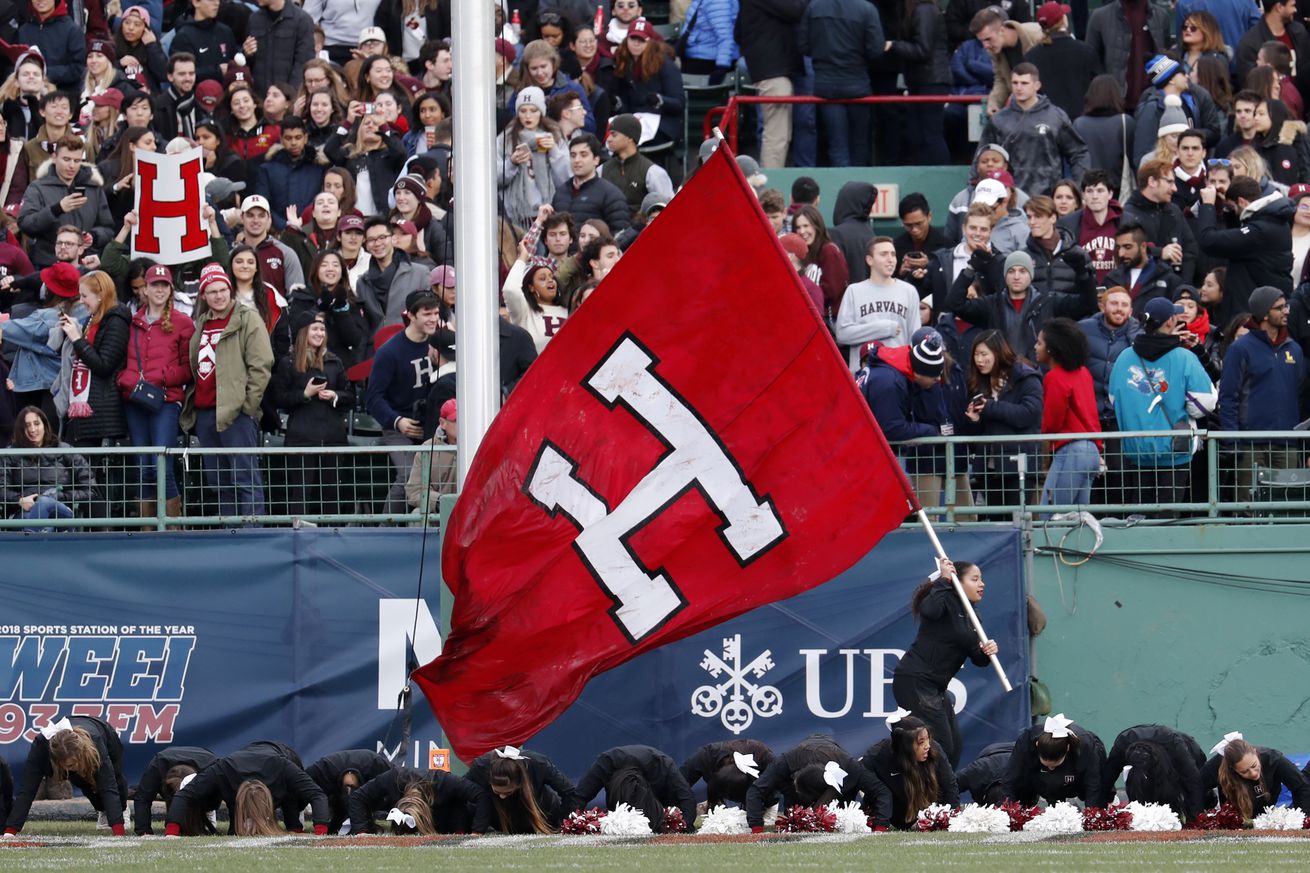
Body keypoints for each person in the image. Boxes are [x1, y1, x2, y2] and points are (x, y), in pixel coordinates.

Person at [182, 263, 275, 520]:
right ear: (203, 295)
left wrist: (247, 406)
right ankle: (230, 534)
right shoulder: (201, 323)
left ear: (230, 290)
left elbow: (262, 365)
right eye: (212, 291)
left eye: (223, 289)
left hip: (236, 414)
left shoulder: (248, 319)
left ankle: (251, 536)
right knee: (219, 482)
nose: (219, 295)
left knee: (246, 478)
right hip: (205, 413)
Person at [890, 555, 998, 768]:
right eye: (975, 579)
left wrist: (987, 651)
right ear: (959, 581)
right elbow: (929, 610)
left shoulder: (972, 615)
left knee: (953, 748)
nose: (982, 584)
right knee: (940, 748)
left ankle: (939, 798)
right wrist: (944, 580)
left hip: (936, 688)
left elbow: (977, 658)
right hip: (915, 681)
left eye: (981, 579)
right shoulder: (944, 599)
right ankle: (924, 796)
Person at [1109, 297, 1217, 507]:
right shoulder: (1184, 357)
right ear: (1170, 322)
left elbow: (1115, 400)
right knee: (1168, 517)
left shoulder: (1124, 357)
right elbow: (1205, 405)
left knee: (1140, 518)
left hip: (1136, 451)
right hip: (1174, 452)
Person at [1219, 286, 1305, 501]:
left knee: (1285, 506)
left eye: (1286, 306)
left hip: (1287, 443)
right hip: (1249, 444)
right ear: (1264, 314)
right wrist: (1233, 441)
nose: (1286, 311)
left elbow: (1300, 395)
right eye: (1280, 308)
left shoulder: (1294, 349)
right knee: (1247, 508)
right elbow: (1228, 397)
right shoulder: (1240, 349)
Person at [270, 310, 355, 518]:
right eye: (315, 329)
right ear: (303, 333)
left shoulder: (334, 361)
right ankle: (298, 537)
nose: (320, 333)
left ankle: (333, 534)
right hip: (301, 438)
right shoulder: (288, 363)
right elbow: (279, 398)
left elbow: (351, 396)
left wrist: (335, 395)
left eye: (322, 329)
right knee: (300, 494)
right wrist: (305, 394)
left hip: (332, 437)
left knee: (332, 495)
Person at [365, 290, 443, 513]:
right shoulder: (389, 352)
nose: (433, 319)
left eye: (436, 313)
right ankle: (385, 529)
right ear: (410, 315)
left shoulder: (441, 343)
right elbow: (373, 398)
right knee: (409, 475)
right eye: (427, 314)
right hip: (399, 426)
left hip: (434, 425)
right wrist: (397, 421)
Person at [946, 249, 1097, 362]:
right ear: (1005, 276)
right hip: (1001, 374)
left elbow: (1086, 305)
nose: (1016, 276)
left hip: (1038, 376)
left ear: (1030, 275)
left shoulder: (1049, 301)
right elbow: (955, 304)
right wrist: (970, 269)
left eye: (1022, 271)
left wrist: (1082, 274)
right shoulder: (991, 304)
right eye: (1011, 271)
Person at [164, 741, 329, 836]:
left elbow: (317, 794)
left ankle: (295, 824)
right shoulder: (223, 769)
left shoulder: (283, 766)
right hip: (243, 758)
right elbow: (184, 795)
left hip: (281, 754)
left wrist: (320, 830)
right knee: (235, 833)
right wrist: (171, 832)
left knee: (292, 805)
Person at [978, 64, 1088, 199]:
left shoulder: (1055, 116)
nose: (1019, 88)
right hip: (1008, 197)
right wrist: (974, 189)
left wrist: (1078, 188)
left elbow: (1078, 152)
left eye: (1024, 83)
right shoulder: (999, 119)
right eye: (1015, 83)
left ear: (1037, 85)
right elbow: (981, 156)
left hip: (1046, 199)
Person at [4, 716, 127, 835]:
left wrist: (118, 829)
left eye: (77, 763)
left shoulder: (96, 743)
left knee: (109, 780)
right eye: (71, 765)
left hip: (103, 733)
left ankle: (121, 809)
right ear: (58, 762)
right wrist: (10, 831)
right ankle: (102, 809)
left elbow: (109, 787)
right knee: (82, 781)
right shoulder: (40, 749)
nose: (77, 768)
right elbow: (27, 790)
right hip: (63, 750)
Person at [1197, 178, 1295, 328]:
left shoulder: (1260, 231)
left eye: (1232, 207)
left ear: (1242, 202)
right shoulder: (1273, 222)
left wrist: (1208, 206)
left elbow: (1208, 241)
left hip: (1254, 320)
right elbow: (1238, 236)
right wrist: (1228, 209)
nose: (1233, 212)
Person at [962, 330, 1043, 509]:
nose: (979, 360)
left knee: (1018, 519)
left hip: (1018, 464)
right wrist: (975, 420)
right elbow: (979, 430)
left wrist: (990, 407)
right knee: (996, 521)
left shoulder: (1025, 377)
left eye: (984, 354)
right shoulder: (978, 383)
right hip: (988, 466)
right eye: (976, 354)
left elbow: (1030, 413)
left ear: (998, 352)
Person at [744, 735, 892, 832]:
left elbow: (882, 792)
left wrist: (880, 827)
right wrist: (757, 827)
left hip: (839, 790)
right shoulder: (786, 762)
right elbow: (755, 791)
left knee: (839, 821)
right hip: (802, 759)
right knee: (794, 818)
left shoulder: (850, 768)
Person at [798, 0, 884, 166]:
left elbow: (803, 46)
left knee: (837, 144)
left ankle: (843, 186)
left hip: (826, 85)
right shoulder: (867, 9)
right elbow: (875, 50)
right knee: (859, 143)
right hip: (857, 83)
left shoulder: (814, 7)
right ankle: (858, 187)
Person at [52, 270, 130, 447]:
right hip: (84, 409)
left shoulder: (116, 321)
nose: (81, 301)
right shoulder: (92, 319)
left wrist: (77, 339)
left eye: (84, 296)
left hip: (102, 413)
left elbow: (104, 365)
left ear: (101, 294)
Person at [18, 134, 114, 270]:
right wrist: (57, 209)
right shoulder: (38, 187)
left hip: (85, 264)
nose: (72, 166)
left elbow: (108, 228)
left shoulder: (94, 188)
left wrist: (94, 236)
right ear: (54, 158)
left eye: (77, 160)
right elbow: (25, 224)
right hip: (49, 263)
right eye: (66, 159)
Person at [1036, 317, 1103, 508]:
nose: (1035, 347)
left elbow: (1052, 423)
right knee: (1078, 519)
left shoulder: (1054, 377)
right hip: (1091, 450)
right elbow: (1092, 416)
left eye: (1040, 342)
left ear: (1051, 349)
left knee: (1051, 515)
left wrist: (1045, 434)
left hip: (1071, 451)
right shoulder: (1083, 372)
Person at [735, 0, 807, 168]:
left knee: (780, 134)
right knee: (776, 135)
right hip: (772, 71)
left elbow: (737, 32)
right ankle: (769, 188)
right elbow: (797, 10)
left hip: (773, 70)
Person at [835, 236, 922, 371]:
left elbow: (915, 338)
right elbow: (842, 334)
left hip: (899, 373)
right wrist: (883, 328)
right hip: (863, 375)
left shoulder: (909, 291)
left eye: (893, 254)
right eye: (883, 254)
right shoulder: (854, 291)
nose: (890, 259)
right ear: (870, 260)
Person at [0, 406, 95, 526]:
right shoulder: (10, 453)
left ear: (44, 425)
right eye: (27, 425)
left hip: (61, 511)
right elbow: (1, 489)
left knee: (45, 503)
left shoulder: (64, 450)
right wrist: (19, 500)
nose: (32, 429)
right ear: (20, 430)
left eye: (36, 423)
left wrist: (61, 496)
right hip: (24, 512)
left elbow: (90, 489)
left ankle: (34, 540)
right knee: (45, 525)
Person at [862, 715, 961, 829]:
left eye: (928, 738)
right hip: (889, 816)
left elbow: (949, 785)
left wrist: (952, 818)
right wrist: (880, 823)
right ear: (905, 746)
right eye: (921, 742)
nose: (927, 746)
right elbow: (873, 789)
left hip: (927, 815)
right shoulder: (876, 756)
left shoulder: (934, 750)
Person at [574, 745, 698, 833]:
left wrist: (684, 825)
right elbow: (580, 796)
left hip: (659, 798)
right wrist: (573, 824)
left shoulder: (662, 764)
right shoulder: (606, 764)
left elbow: (686, 796)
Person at [603, 19, 684, 146]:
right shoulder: (623, 62)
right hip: (632, 119)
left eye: (641, 40)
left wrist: (660, 100)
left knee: (627, 139)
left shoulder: (665, 64)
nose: (636, 43)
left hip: (661, 122)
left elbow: (679, 104)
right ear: (626, 40)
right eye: (633, 38)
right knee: (611, 134)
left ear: (650, 42)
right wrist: (617, 104)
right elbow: (624, 101)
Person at [465, 745, 579, 834]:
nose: (502, 796)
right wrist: (475, 826)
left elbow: (570, 793)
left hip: (545, 816)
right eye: (497, 792)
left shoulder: (539, 764)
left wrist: (564, 823)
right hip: (499, 820)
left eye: (508, 792)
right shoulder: (480, 767)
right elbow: (459, 792)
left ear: (520, 782)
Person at [1133, 55, 1225, 165]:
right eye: (1182, 73)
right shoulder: (1152, 108)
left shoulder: (1190, 102)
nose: (1187, 76)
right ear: (1171, 79)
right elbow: (1143, 151)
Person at [1100, 725, 1205, 819]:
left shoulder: (1175, 745)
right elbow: (1106, 781)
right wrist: (1098, 815)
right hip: (1150, 754)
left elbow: (1193, 781)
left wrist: (1195, 819)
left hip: (1188, 752)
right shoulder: (1122, 745)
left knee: (1202, 795)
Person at [1001, 714, 1106, 806]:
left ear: (1067, 749)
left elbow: (1093, 783)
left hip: (1077, 771)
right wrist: (1008, 810)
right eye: (1046, 764)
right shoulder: (1027, 741)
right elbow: (1010, 778)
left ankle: (1110, 800)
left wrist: (1093, 816)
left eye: (1055, 764)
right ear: (1037, 745)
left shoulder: (1085, 745)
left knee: (1097, 792)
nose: (1051, 768)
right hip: (1039, 777)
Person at [1085, 0, 1171, 112]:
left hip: (1152, 102)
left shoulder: (1160, 16)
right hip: (1113, 104)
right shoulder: (1100, 16)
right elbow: (1090, 62)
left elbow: (1167, 56)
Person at [345, 766, 483, 835]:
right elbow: (357, 797)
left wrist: (477, 830)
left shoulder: (442, 781)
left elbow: (480, 795)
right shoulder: (391, 779)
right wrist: (361, 831)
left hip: (451, 824)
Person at [1122, 159, 1197, 284]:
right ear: (1152, 181)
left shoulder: (1174, 211)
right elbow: (1128, 251)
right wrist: (1160, 252)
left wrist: (1183, 286)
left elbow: (1190, 250)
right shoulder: (1128, 214)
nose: (1175, 188)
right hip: (1143, 289)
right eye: (1169, 182)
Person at [1078, 286, 1142, 434]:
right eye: (1114, 303)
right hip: (1088, 415)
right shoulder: (1082, 330)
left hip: (1121, 418)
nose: (1119, 309)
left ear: (1131, 311)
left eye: (1124, 305)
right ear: (1102, 306)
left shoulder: (1139, 336)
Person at [1024, 3, 1102, 122]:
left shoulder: (1031, 56)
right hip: (1080, 122)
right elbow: (1098, 86)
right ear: (1063, 20)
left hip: (1046, 123)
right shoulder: (1086, 51)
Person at [1201, 736, 1310, 820]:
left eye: (1254, 765)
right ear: (1233, 769)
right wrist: (1199, 817)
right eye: (1244, 771)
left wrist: (1302, 818)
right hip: (1233, 819)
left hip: (1265, 815)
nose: (1253, 773)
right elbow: (1196, 786)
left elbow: (1302, 787)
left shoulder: (1273, 759)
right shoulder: (1218, 765)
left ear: (1256, 753)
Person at [356, 216, 434, 329]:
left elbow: (429, 314)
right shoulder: (362, 282)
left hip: (409, 342)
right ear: (366, 245)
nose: (377, 243)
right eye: (371, 240)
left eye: (382, 237)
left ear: (392, 238)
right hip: (376, 344)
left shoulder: (420, 273)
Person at [969, 7, 1043, 116]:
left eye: (988, 39)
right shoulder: (994, 50)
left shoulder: (1038, 34)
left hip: (1051, 104)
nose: (985, 46)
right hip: (1023, 108)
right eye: (982, 41)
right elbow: (1001, 79)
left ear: (1002, 30)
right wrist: (994, 103)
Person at [551, 132, 630, 233]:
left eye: (583, 155)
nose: (577, 160)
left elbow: (620, 236)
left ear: (596, 160)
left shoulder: (611, 195)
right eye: (573, 155)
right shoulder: (560, 192)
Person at [131, 746, 218, 836]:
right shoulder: (158, 766)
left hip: (206, 762)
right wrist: (144, 830)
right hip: (164, 761)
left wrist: (214, 826)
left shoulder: (212, 768)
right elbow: (143, 798)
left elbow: (225, 794)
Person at [1103, 222, 1182, 319]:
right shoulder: (1111, 278)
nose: (1121, 254)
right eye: (1118, 247)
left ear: (1143, 247)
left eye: (1127, 247)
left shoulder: (1168, 278)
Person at [304, 750, 394, 835]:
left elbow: (402, 781)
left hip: (370, 775)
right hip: (331, 785)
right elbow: (297, 788)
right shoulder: (320, 770)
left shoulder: (379, 766)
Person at [1236, 0, 1310, 102]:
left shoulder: (1299, 32)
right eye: (1292, 5)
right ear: (1279, 7)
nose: (1295, 9)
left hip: (1300, 107)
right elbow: (1250, 86)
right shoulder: (1250, 44)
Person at [600, 113, 673, 212]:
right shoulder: (601, 170)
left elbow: (668, 208)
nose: (608, 139)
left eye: (614, 135)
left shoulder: (653, 172)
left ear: (630, 138)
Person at [793, 204, 850, 322]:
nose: (802, 231)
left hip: (830, 320)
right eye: (798, 227)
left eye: (806, 226)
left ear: (817, 226)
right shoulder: (800, 254)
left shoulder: (829, 251)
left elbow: (833, 290)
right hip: (807, 317)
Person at [680, 740, 775, 810]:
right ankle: (709, 806)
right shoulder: (705, 756)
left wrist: (760, 806)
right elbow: (677, 786)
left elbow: (781, 788)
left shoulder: (765, 758)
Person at [245, 0, 317, 92]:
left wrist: (290, 95)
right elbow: (249, 64)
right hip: (259, 96)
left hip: (288, 96)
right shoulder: (254, 19)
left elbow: (304, 63)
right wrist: (247, 54)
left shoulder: (302, 20)